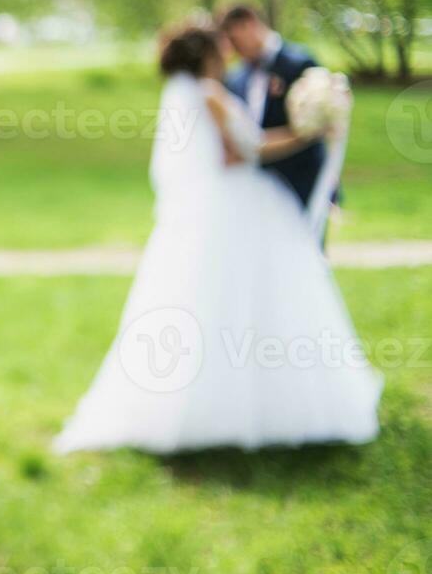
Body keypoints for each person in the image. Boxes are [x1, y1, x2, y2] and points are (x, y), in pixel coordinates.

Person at [53, 26, 380, 454]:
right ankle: (267, 409)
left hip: (212, 206)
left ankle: (205, 409)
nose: (226, 55)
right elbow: (252, 147)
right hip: (236, 205)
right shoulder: (207, 92)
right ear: (207, 55)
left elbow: (226, 151)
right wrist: (309, 131)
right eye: (219, 49)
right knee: (259, 301)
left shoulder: (183, 92)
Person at [219, 3, 328, 211]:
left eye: (233, 39)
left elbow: (318, 130)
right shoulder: (235, 78)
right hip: (253, 189)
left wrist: (329, 190)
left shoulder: (299, 63)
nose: (232, 49)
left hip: (300, 184)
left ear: (249, 24)